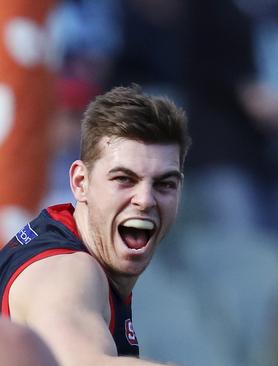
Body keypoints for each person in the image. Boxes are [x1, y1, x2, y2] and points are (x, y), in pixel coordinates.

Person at [0, 84, 191, 365]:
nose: (145, 199)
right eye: (124, 179)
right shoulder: (69, 271)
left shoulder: (60, 231)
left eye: (165, 184)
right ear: (80, 182)